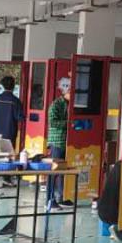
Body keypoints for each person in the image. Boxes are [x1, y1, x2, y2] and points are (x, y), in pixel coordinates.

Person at [45, 76, 71, 207]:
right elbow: (53, 122)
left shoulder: (72, 106)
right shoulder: (56, 104)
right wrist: (68, 123)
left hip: (68, 142)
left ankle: (62, 197)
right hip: (57, 142)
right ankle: (49, 200)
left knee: (63, 171)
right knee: (54, 171)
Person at [0, 75, 24, 147]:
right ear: (14, 86)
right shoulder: (15, 101)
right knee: (8, 155)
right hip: (9, 133)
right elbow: (20, 117)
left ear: (2, 85)